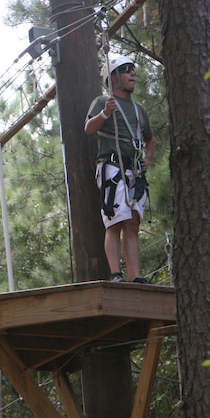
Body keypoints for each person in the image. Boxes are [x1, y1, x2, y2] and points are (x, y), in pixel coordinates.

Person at [84, 53, 156, 283]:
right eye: (126, 70)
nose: (132, 73)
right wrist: (105, 113)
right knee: (116, 221)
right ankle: (116, 273)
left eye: (132, 69)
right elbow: (88, 128)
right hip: (113, 168)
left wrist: (148, 158)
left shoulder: (138, 110)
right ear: (113, 77)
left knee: (132, 222)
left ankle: (135, 276)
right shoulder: (102, 102)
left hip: (134, 170)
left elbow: (150, 140)